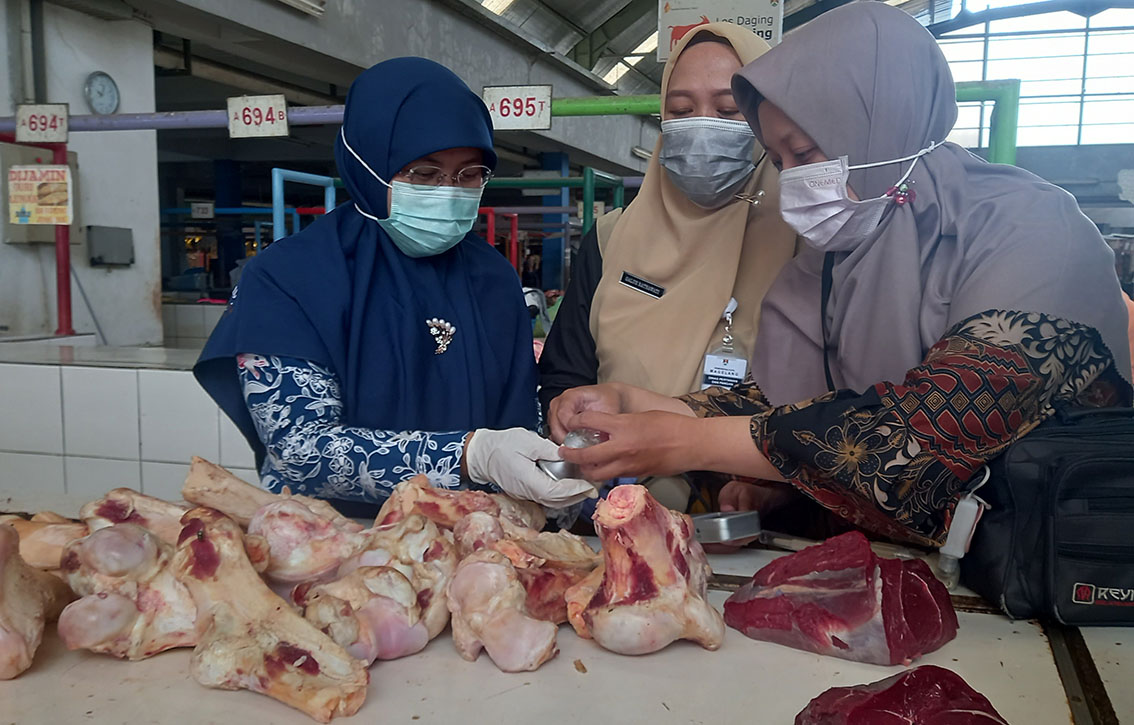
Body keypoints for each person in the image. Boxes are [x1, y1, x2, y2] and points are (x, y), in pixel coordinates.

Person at [549, 3, 1131, 548]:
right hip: (917, 571)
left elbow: (914, 445)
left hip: (1053, 564)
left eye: (804, 152)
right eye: (778, 162)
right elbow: (786, 403)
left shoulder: (1028, 230)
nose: (795, 181)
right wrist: (640, 403)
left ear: (883, 121)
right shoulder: (844, 256)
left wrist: (686, 440)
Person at [195, 58, 594, 516]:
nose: (449, 191)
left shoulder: (492, 277)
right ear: (367, 164)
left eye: (469, 175)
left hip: (479, 543)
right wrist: (471, 455)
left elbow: (520, 413)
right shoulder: (290, 276)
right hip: (335, 548)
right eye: (423, 173)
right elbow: (303, 449)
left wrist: (557, 474)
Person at [537, 23, 796, 510]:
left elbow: (829, 405)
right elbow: (566, 374)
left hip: (755, 525)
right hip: (611, 510)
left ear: (770, 120)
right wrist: (575, 420)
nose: (702, 127)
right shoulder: (613, 238)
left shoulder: (807, 241)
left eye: (728, 110)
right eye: (680, 111)